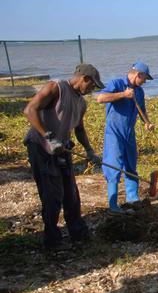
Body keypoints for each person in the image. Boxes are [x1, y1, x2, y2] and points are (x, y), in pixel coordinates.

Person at [23, 63, 104, 249]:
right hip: (41, 147)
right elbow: (30, 110)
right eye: (92, 85)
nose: (92, 90)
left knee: (71, 193)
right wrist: (48, 137)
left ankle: (78, 232)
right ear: (84, 78)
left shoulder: (81, 102)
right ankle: (52, 240)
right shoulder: (56, 87)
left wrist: (89, 151)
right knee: (52, 194)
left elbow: (80, 129)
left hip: (63, 148)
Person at [96, 62, 154, 213]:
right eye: (144, 78)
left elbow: (142, 110)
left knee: (131, 163)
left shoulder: (139, 92)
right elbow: (100, 98)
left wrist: (147, 123)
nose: (145, 82)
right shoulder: (117, 83)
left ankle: (132, 198)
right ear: (138, 74)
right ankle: (113, 204)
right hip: (114, 132)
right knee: (113, 165)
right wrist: (123, 94)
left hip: (129, 133)